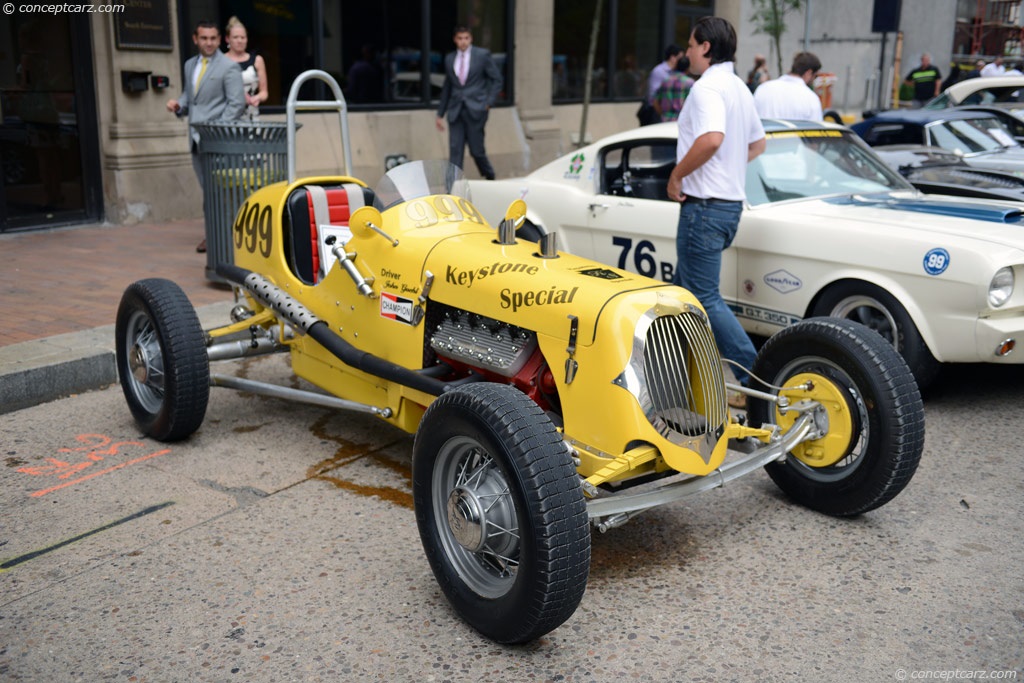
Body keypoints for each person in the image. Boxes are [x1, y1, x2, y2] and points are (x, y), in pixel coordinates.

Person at [666, 16, 765, 402]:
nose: (687, 51)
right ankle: (675, 382)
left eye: (691, 45)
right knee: (679, 294)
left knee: (703, 298)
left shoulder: (706, 87)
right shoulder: (739, 86)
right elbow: (757, 145)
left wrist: (676, 177)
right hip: (728, 208)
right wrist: (728, 170)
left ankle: (757, 381)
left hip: (704, 208)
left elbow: (710, 139)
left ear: (705, 47)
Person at [166, 20, 245, 252]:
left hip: (218, 141)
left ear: (220, 40)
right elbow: (190, 98)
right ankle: (214, 234)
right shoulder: (190, 65)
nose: (209, 43)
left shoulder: (228, 67)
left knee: (221, 191)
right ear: (195, 39)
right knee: (208, 191)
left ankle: (224, 236)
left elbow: (236, 104)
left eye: (213, 38)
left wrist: (216, 131)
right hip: (195, 139)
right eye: (204, 38)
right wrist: (178, 106)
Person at [435, 26, 503, 180]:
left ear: (471, 39)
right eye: (460, 38)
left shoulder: (482, 55)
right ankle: (452, 188)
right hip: (455, 110)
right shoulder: (449, 58)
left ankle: (490, 176)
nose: (463, 42)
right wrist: (440, 113)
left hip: (476, 109)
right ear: (455, 40)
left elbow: (497, 79)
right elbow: (448, 86)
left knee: (476, 151)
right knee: (455, 151)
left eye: (466, 38)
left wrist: (488, 102)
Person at [753, 51, 823, 121]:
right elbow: (816, 128)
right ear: (809, 73)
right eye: (815, 76)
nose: (814, 80)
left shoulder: (763, 89)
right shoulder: (811, 99)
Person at [224, 16, 268, 120]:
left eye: (243, 37)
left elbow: (264, 92)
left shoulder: (257, 60)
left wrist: (255, 98)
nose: (239, 41)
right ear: (227, 39)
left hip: (251, 116)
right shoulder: (221, 61)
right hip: (227, 117)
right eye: (235, 37)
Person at [639, 44, 684, 125]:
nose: (682, 61)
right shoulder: (659, 71)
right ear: (672, 57)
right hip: (655, 113)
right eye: (680, 58)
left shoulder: (676, 72)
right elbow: (652, 97)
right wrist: (661, 113)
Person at [651, 56, 694, 122]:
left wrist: (662, 114)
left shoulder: (666, 80)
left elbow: (655, 101)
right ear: (688, 68)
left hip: (665, 120)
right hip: (681, 121)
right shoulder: (689, 82)